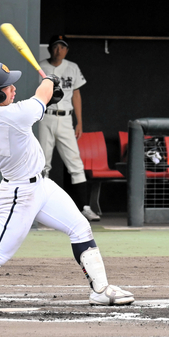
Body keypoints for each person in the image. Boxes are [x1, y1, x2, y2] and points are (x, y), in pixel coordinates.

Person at [0, 61, 134, 306]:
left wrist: (46, 99)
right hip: (19, 193)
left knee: (80, 228)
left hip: (42, 185)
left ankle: (100, 290)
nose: (13, 89)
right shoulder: (15, 116)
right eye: (7, 87)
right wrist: (51, 81)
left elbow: (39, 102)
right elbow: (42, 93)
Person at [38, 35, 99, 221]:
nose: (59, 50)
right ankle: (41, 208)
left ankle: (85, 208)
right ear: (50, 48)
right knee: (42, 164)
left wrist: (79, 122)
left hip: (65, 119)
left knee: (75, 164)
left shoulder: (72, 67)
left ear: (66, 50)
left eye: (62, 47)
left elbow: (76, 95)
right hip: (45, 117)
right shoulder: (40, 67)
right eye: (56, 46)